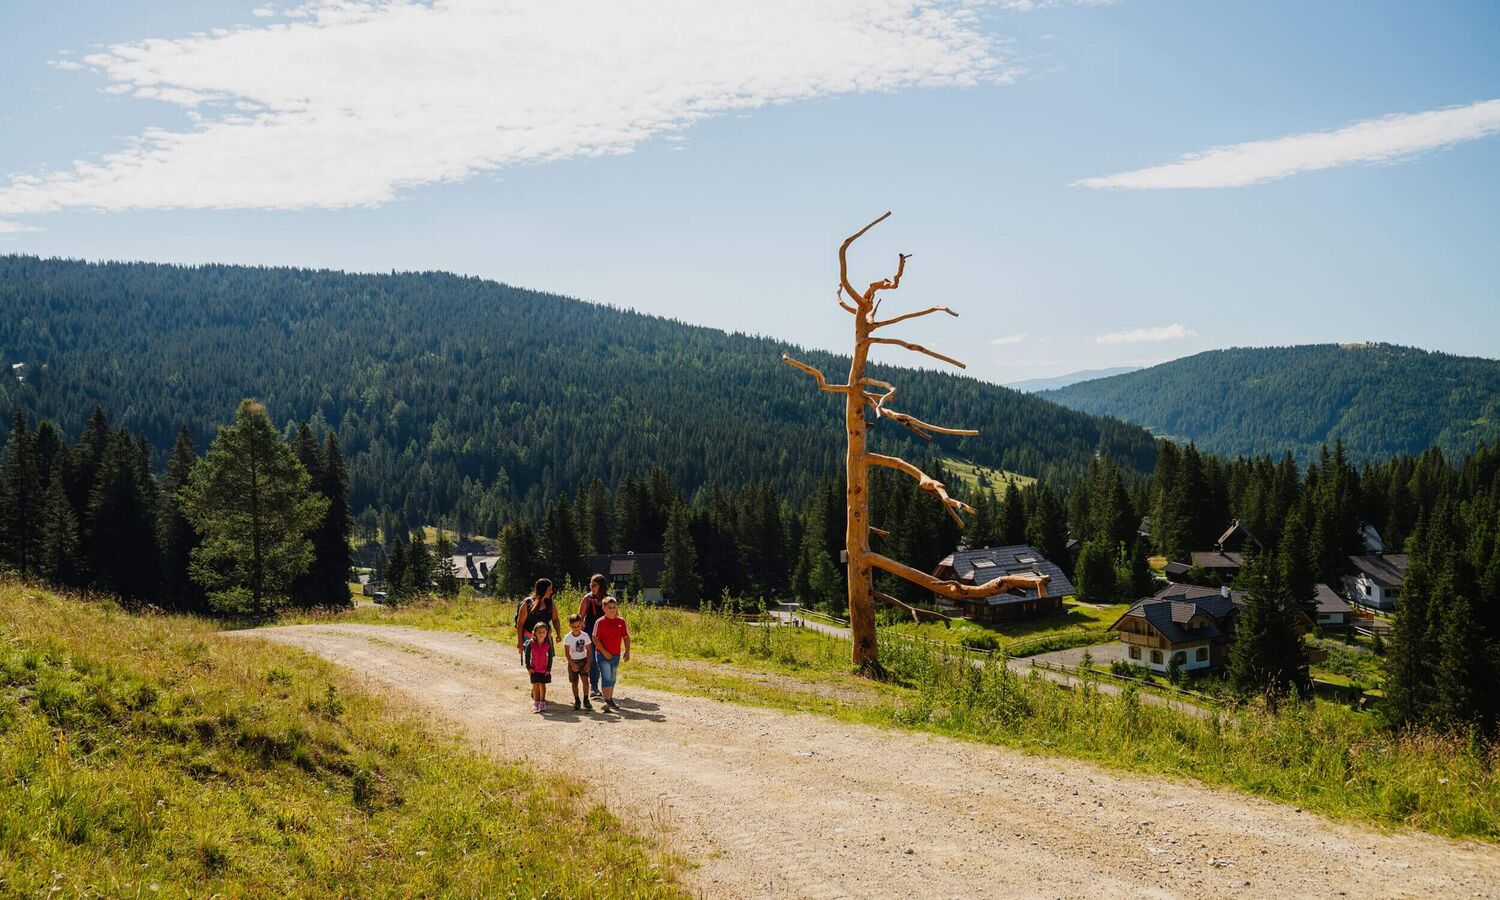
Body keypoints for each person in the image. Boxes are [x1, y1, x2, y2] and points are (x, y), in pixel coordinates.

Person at [591, 597, 631, 712]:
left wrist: (627, 651)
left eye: (614, 607)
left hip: (616, 654)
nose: (612, 610)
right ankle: (607, 701)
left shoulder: (621, 621)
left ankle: (609, 699)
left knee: (612, 678)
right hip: (602, 654)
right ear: (604, 608)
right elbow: (595, 638)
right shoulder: (600, 622)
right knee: (606, 677)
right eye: (609, 608)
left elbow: (626, 637)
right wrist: (604, 651)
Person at [578, 574, 613, 699]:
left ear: (601, 586)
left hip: (605, 634)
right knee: (592, 660)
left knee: (604, 660)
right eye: (590, 585)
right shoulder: (587, 599)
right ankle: (594, 687)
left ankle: (606, 687)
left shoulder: (609, 599)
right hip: (589, 633)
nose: (591, 588)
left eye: (594, 585)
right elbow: (580, 616)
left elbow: (615, 615)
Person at [515, 577, 560, 659]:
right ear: (543, 590)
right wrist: (520, 642)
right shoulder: (527, 604)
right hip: (529, 638)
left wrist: (558, 634)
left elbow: (555, 619)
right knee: (533, 663)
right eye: (549, 589)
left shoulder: (550, 603)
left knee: (546, 663)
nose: (551, 591)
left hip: (546, 638)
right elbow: (520, 623)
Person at [561, 614, 594, 711]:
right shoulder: (568, 637)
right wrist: (572, 664)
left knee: (585, 681)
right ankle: (577, 700)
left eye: (578, 626)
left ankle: (586, 700)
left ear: (582, 625)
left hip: (583, 660)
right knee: (574, 682)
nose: (576, 628)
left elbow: (589, 650)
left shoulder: (585, 635)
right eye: (574, 626)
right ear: (570, 626)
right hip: (573, 661)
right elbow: (567, 653)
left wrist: (588, 663)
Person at [523, 622, 554, 713]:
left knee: (542, 685)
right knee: (535, 685)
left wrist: (548, 669)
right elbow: (527, 655)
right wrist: (528, 667)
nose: (541, 634)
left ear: (546, 633)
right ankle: (536, 702)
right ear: (534, 633)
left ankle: (542, 701)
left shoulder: (548, 644)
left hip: (544, 669)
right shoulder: (531, 643)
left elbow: (550, 656)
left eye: (543, 632)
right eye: (539, 632)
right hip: (534, 668)